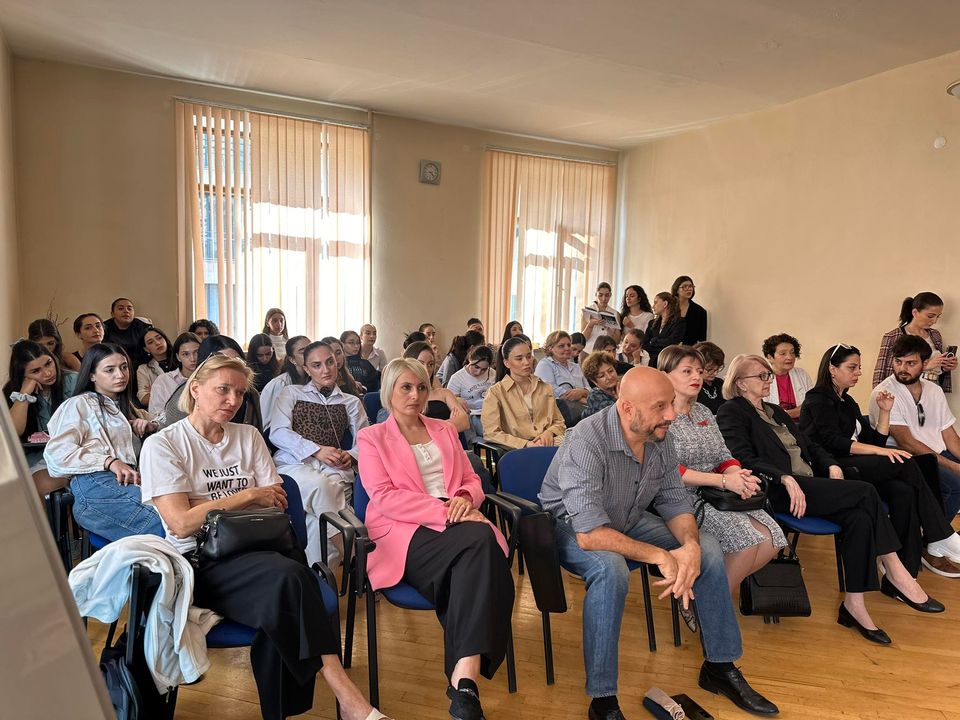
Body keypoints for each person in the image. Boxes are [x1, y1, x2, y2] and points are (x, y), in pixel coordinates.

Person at [139, 354, 389, 720]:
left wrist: (205, 503)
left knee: (279, 602)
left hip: (264, 550)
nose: (232, 401)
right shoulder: (164, 445)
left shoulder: (249, 435)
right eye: (222, 389)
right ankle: (349, 701)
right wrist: (248, 495)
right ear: (195, 389)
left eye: (239, 393)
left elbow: (277, 501)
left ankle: (297, 712)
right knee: (291, 580)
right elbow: (181, 524)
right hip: (202, 563)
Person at [539, 367, 779, 719]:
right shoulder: (586, 440)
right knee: (612, 570)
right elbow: (590, 533)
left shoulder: (659, 436)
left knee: (709, 549)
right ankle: (603, 700)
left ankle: (719, 667)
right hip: (569, 524)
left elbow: (674, 501)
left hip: (628, 515)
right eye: (660, 406)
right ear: (627, 408)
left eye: (670, 404)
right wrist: (662, 556)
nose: (671, 414)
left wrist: (690, 546)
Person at [717, 354, 942, 645]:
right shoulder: (732, 411)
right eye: (760, 376)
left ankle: (854, 605)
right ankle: (897, 570)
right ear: (740, 383)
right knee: (864, 491)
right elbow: (742, 458)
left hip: (811, 482)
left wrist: (831, 464)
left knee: (859, 518)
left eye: (767, 375)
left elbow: (809, 444)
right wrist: (784, 478)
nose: (768, 380)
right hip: (781, 490)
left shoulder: (775, 411)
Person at [357, 358, 513, 720]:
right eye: (405, 388)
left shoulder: (444, 430)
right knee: (482, 543)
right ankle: (465, 678)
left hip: (459, 526)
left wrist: (463, 499)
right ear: (389, 392)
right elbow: (383, 497)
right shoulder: (372, 437)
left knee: (476, 552)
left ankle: (464, 684)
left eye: (422, 387)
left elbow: (472, 480)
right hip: (404, 533)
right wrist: (444, 510)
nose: (415, 395)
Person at [802, 343, 960, 577]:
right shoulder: (817, 398)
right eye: (852, 367)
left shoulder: (848, 401)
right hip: (832, 466)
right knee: (908, 461)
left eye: (859, 367)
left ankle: (903, 571)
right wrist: (881, 452)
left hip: (856, 464)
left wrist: (885, 412)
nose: (858, 373)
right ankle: (940, 534)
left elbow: (873, 441)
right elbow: (832, 441)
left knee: (905, 489)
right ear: (832, 369)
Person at [659, 345, 786, 598]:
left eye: (698, 371)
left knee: (774, 539)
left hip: (717, 490)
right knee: (748, 543)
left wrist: (738, 475)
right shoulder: (661, 415)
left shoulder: (703, 411)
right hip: (682, 498)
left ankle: (712, 597)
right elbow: (671, 472)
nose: (696, 377)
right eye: (687, 371)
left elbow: (723, 455)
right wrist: (726, 481)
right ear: (665, 376)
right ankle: (714, 606)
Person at [43, 343, 163, 541]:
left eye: (124, 367)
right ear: (91, 375)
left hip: (130, 482)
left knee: (178, 515)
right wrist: (109, 461)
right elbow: (56, 456)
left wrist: (152, 425)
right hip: (94, 484)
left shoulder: (127, 407)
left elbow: (166, 419)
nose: (120, 375)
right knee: (169, 523)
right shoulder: (79, 404)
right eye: (110, 370)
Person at [271, 340, 369, 566]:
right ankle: (354, 555)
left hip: (335, 467)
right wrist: (316, 450)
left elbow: (365, 440)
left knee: (317, 524)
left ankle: (318, 584)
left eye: (330, 362)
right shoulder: (291, 393)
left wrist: (352, 455)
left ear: (337, 362)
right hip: (295, 466)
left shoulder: (351, 401)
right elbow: (277, 432)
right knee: (323, 487)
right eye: (316, 365)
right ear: (306, 369)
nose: (325, 370)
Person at [869, 335, 960, 523]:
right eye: (898, 361)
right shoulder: (884, 393)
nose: (902, 369)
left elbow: (949, 434)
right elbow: (907, 443)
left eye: (910, 363)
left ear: (925, 363)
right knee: (956, 486)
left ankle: (938, 540)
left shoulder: (934, 391)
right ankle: (935, 540)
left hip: (936, 453)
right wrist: (954, 467)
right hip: (907, 457)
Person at [4, 340, 78, 494]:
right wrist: (24, 394)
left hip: (74, 451)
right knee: (21, 489)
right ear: (22, 376)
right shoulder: (12, 392)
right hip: (38, 456)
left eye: (48, 363)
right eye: (35, 371)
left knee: (40, 485)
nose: (48, 373)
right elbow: (13, 432)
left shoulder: (74, 381)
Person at [481, 335, 565, 449]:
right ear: (507, 363)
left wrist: (549, 432)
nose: (526, 362)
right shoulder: (495, 393)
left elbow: (559, 421)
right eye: (519, 358)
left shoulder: (544, 387)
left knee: (577, 445)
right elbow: (491, 433)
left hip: (549, 442)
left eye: (529, 356)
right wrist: (526, 444)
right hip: (517, 448)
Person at [162, 335, 263, 430]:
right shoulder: (180, 402)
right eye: (222, 389)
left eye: (237, 361)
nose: (233, 401)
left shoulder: (251, 395)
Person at [873, 292, 955, 393]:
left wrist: (946, 366)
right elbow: (880, 372)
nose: (934, 321)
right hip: (903, 393)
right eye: (930, 316)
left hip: (932, 391)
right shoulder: (893, 337)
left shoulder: (935, 335)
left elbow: (937, 369)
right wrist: (879, 396)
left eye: (938, 316)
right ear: (915, 313)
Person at [402, 342, 470, 433]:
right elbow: (409, 430)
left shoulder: (444, 393)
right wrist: (450, 424)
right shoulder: (403, 394)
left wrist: (426, 429)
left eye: (430, 364)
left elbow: (464, 423)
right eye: (420, 363)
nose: (426, 369)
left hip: (447, 444)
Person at [535, 330, 590, 426]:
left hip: (583, 407)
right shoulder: (545, 364)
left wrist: (583, 392)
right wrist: (579, 397)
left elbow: (588, 388)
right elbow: (550, 389)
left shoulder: (576, 367)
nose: (567, 348)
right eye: (561, 346)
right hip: (558, 413)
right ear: (550, 348)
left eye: (569, 345)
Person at [260, 335, 310, 433]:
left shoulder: (318, 381)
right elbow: (267, 425)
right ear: (292, 359)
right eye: (303, 351)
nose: (310, 354)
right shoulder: (280, 384)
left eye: (311, 348)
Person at [446, 345, 496, 440]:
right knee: (485, 434)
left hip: (490, 413)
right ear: (470, 359)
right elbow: (450, 402)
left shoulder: (492, 373)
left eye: (484, 369)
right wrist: (457, 400)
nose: (478, 372)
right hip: (472, 415)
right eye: (475, 367)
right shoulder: (457, 378)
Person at [148, 332, 201, 418]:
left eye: (196, 352)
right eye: (186, 354)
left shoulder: (211, 379)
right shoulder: (163, 381)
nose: (193, 358)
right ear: (178, 357)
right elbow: (156, 416)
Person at [761, 333, 812, 420]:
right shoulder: (762, 378)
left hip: (804, 426)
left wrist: (784, 414)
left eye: (792, 352)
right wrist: (796, 412)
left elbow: (812, 404)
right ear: (770, 357)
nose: (790, 357)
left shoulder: (802, 374)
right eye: (783, 353)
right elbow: (765, 412)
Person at [102, 297, 151, 372]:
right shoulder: (104, 329)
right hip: (114, 368)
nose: (126, 311)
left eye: (129, 309)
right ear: (112, 314)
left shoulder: (143, 327)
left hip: (141, 368)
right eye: (121, 309)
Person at [642, 292, 685, 368]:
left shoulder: (679, 322)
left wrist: (653, 341)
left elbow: (672, 342)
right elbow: (645, 343)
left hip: (668, 361)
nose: (653, 306)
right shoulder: (651, 323)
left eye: (655, 303)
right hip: (650, 360)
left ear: (665, 304)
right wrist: (659, 342)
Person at [135, 326, 174, 407]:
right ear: (146, 349)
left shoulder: (180, 359)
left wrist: (155, 391)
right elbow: (143, 399)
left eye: (159, 338)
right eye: (150, 342)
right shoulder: (143, 369)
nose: (157, 343)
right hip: (160, 413)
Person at [581, 282, 621, 352]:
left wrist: (608, 328)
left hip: (607, 352)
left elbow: (617, 341)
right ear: (596, 294)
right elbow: (583, 339)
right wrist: (590, 325)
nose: (603, 299)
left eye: (607, 295)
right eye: (600, 295)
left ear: (610, 295)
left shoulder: (615, 314)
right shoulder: (587, 311)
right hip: (588, 350)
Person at [580, 351, 619, 419]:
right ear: (594, 381)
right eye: (602, 376)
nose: (609, 377)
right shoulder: (595, 396)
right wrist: (620, 398)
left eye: (610, 371)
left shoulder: (623, 384)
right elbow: (616, 416)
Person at [672, 275, 707, 345]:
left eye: (691, 286)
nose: (689, 289)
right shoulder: (669, 307)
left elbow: (701, 340)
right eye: (684, 286)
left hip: (688, 351)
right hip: (667, 350)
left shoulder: (700, 311)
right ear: (676, 289)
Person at [695, 341, 727, 414]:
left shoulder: (720, 383)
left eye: (718, 368)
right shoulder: (693, 386)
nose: (715, 373)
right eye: (709, 369)